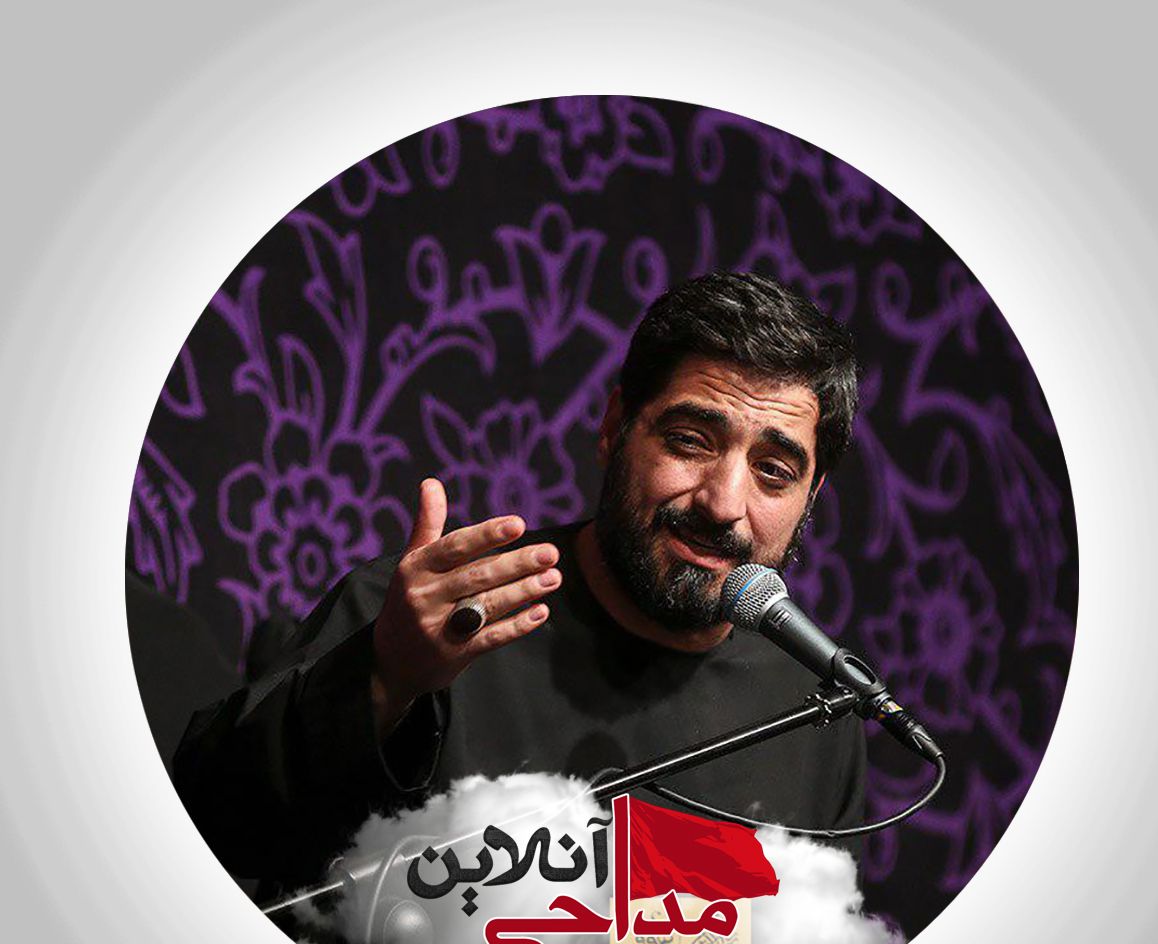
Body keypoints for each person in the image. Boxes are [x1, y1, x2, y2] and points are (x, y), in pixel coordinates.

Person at [174, 272, 868, 891]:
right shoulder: (435, 614)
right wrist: (383, 678)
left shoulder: (814, 710)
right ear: (614, 428)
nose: (723, 503)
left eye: (773, 472)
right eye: (690, 441)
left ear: (811, 496)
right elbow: (203, 826)